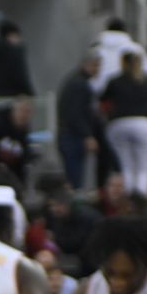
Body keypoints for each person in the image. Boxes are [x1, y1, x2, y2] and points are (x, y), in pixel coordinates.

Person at [101, 51, 147, 198]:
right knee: (143, 168)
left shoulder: (115, 81)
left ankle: (128, 202)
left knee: (126, 167)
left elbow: (103, 99)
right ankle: (140, 203)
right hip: (144, 123)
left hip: (118, 124)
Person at [56, 50, 106, 193]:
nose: (98, 71)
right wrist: (87, 135)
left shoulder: (74, 81)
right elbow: (75, 114)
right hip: (73, 137)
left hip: (68, 135)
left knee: (74, 178)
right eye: (96, 66)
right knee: (75, 180)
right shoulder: (80, 85)